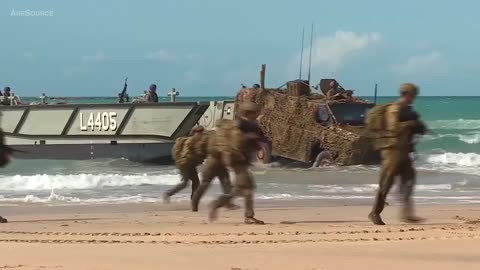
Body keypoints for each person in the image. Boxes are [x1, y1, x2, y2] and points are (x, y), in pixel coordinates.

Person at [368, 83, 426, 225]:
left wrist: (417, 127)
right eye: (411, 95)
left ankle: (407, 214)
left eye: (413, 95)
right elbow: (394, 128)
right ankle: (375, 212)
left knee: (409, 180)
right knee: (386, 184)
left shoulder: (407, 110)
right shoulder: (394, 109)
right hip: (391, 152)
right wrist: (410, 124)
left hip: (404, 152)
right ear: (404, 94)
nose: (412, 98)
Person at [200, 102, 266, 224]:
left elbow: (258, 138)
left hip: (242, 162)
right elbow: (237, 144)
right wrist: (250, 138)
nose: (258, 114)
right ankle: (220, 205)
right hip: (238, 161)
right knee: (246, 190)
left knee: (245, 189)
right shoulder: (239, 125)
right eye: (255, 112)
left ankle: (243, 213)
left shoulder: (249, 124)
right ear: (248, 113)